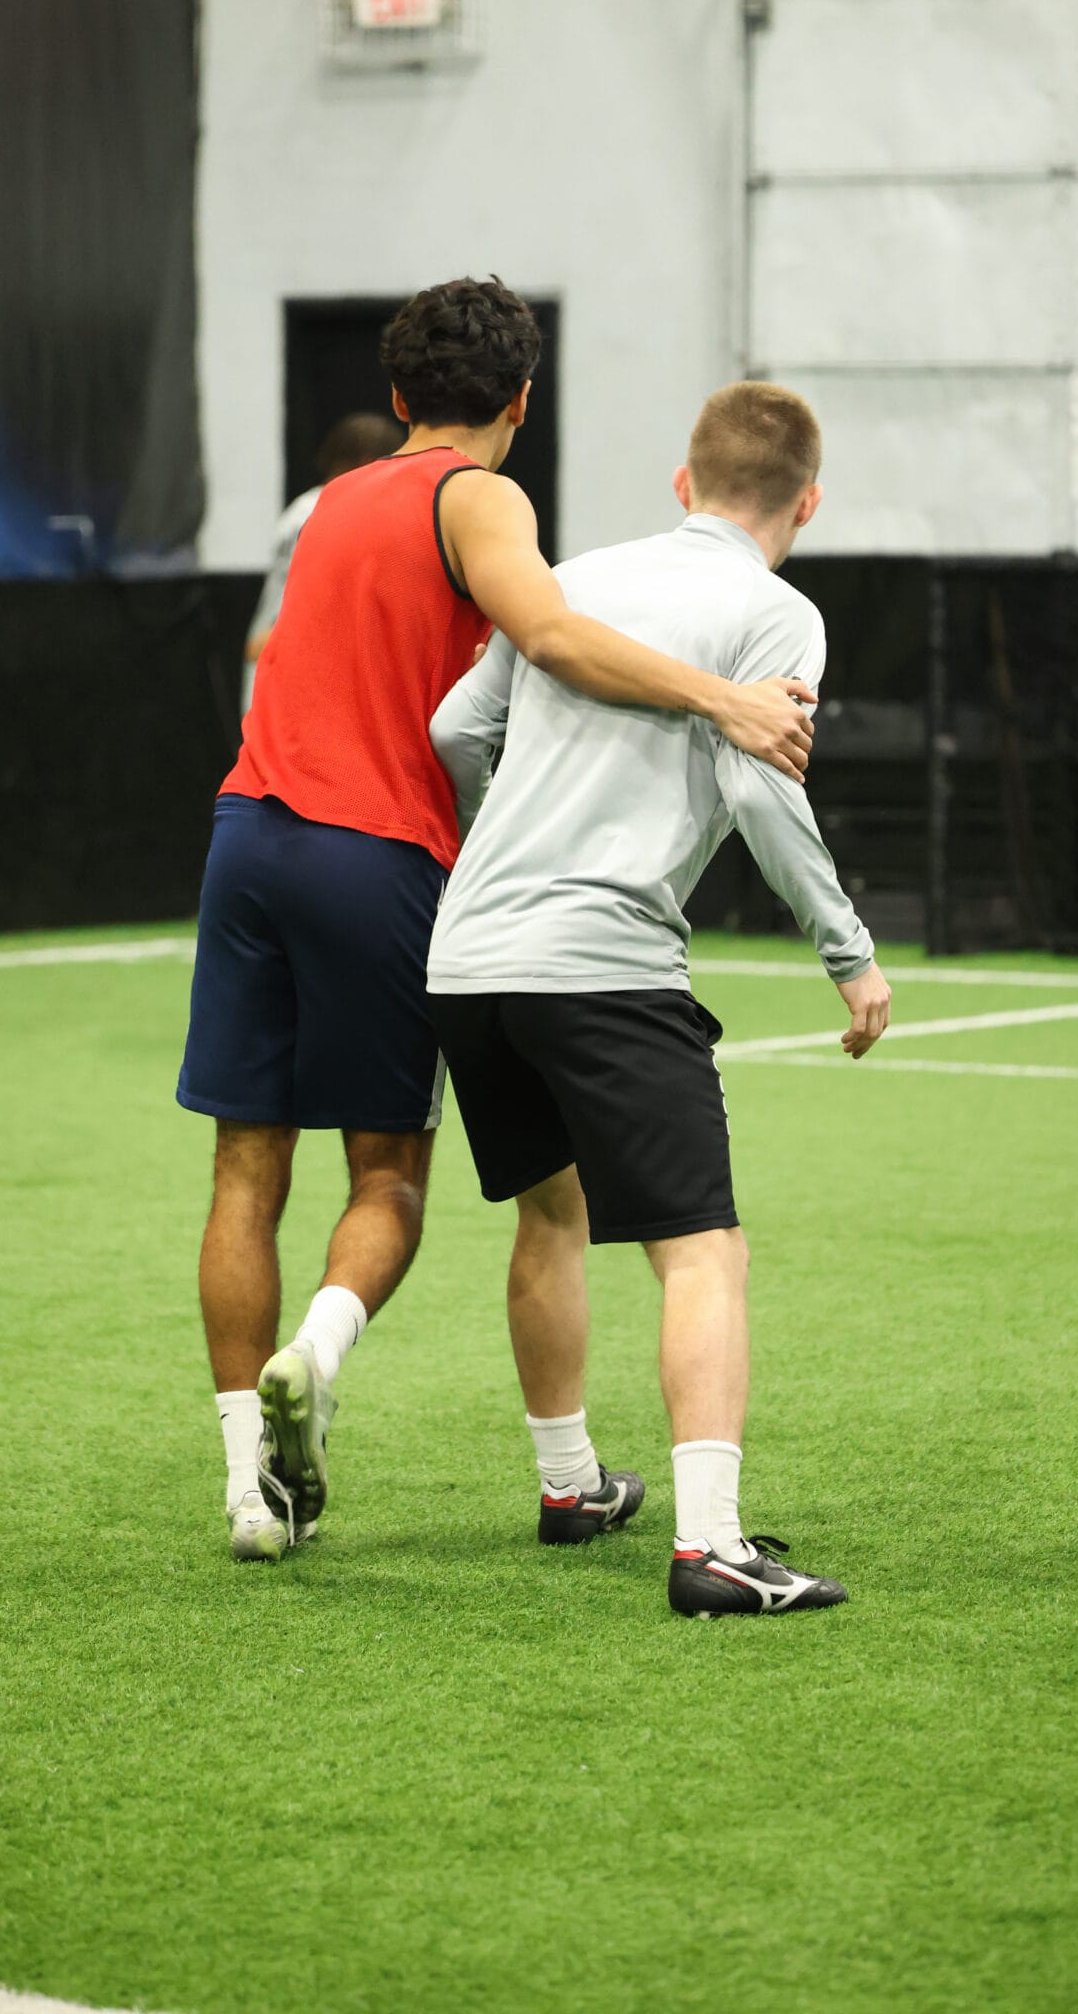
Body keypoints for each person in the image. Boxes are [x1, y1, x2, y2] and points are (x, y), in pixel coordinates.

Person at [176, 279, 820, 1564]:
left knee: (245, 1173)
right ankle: (322, 1344)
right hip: (382, 853)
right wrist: (724, 702)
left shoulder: (325, 504)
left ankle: (252, 1492)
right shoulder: (477, 496)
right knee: (388, 1182)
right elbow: (553, 639)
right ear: (520, 402)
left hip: (245, 835)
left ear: (399, 391)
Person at [424, 380, 892, 1618]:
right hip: (602, 962)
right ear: (809, 502)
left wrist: (510, 847)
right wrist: (846, 950)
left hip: (471, 955)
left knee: (552, 1212)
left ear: (683, 485)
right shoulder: (777, 612)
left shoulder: (568, 576)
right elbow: (760, 790)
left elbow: (454, 727)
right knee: (704, 1251)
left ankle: (571, 1484)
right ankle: (712, 1551)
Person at [240, 411, 404, 711]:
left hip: (285, 691)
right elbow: (271, 639)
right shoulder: (319, 515)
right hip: (285, 694)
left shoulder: (312, 509)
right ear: (368, 464)